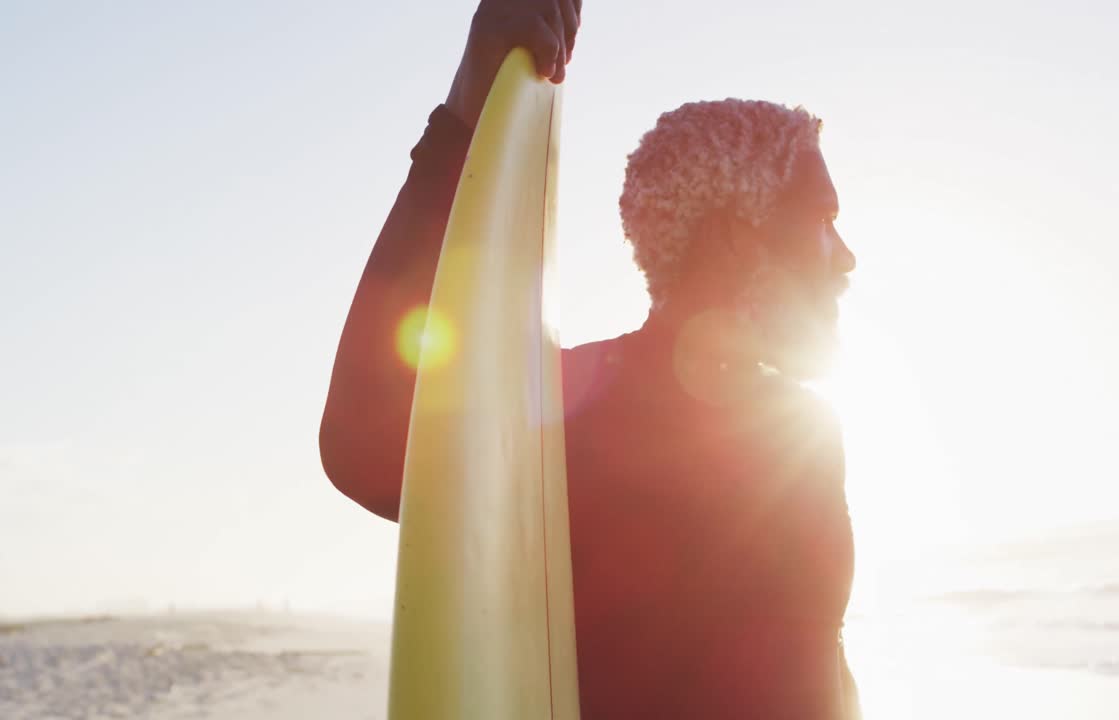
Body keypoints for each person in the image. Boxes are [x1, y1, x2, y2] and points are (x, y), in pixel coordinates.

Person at [319, 1, 860, 717]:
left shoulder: (805, 433)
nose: (846, 259)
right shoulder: (577, 414)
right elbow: (365, 443)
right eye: (821, 222)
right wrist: (462, 118)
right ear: (737, 242)